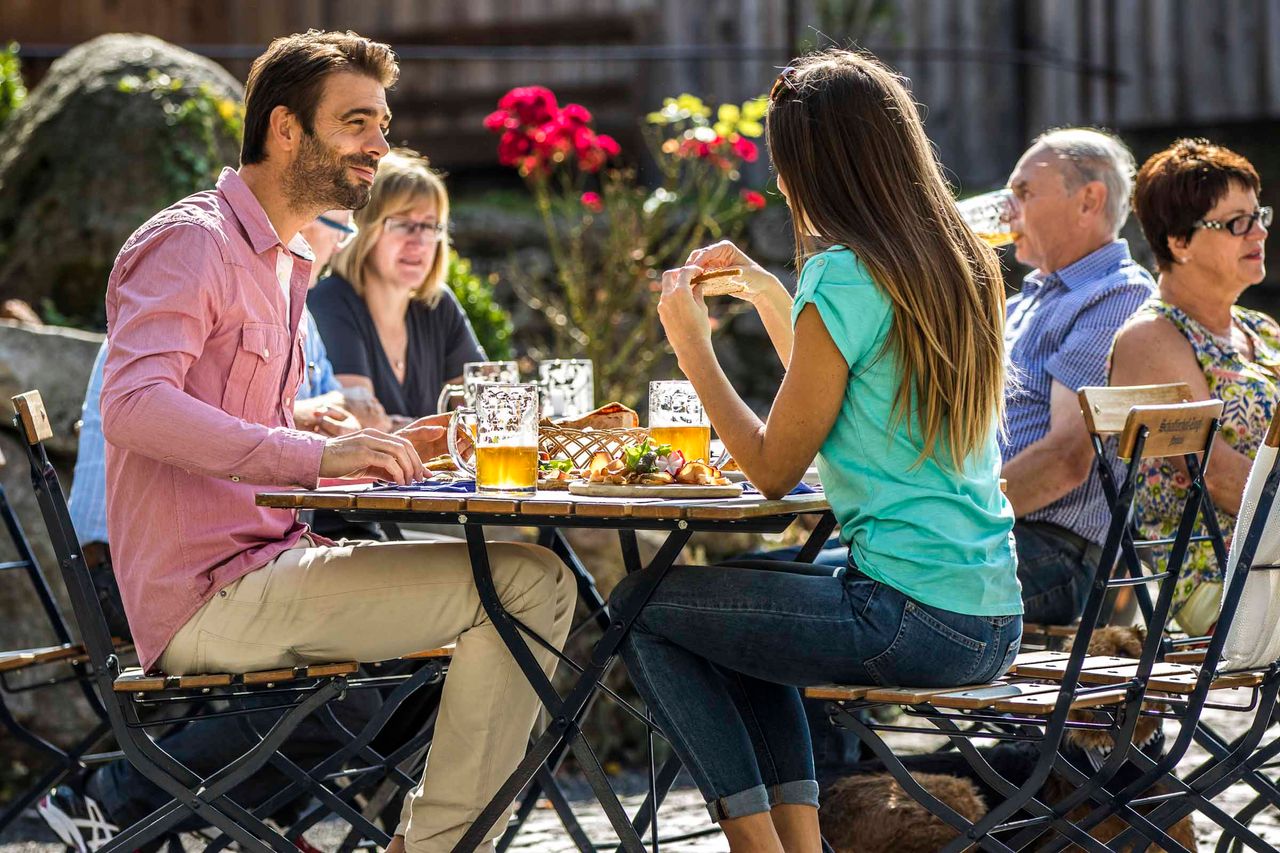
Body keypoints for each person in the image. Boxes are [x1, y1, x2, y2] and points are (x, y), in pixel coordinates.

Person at [44, 31, 574, 853]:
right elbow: (136, 406)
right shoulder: (195, 243)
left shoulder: (281, 262)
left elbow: (233, 416)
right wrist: (314, 454)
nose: (380, 143)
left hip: (269, 563)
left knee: (533, 578)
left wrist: (367, 435)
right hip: (209, 594)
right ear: (286, 130)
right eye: (357, 122)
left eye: (383, 123)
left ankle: (432, 841)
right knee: (528, 586)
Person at [609, 50, 1021, 851]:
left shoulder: (843, 274)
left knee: (641, 608)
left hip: (905, 614)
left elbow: (771, 471)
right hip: (987, 610)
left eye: (784, 162)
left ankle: (761, 846)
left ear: (817, 165)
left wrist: (693, 348)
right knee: (743, 602)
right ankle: (801, 846)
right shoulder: (957, 262)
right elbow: (843, 383)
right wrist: (770, 290)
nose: (779, 183)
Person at [1110, 138, 1275, 635]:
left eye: (1258, 215)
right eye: (1235, 223)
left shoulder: (1261, 331)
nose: (1259, 232)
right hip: (1219, 578)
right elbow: (1221, 480)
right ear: (1179, 242)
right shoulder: (1152, 337)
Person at [999, 128, 1155, 625]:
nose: (1007, 209)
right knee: (789, 579)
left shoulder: (1115, 296)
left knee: (776, 594)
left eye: (1024, 192)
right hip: (998, 539)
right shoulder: (1022, 302)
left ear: (1089, 200)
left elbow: (1067, 459)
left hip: (1056, 555)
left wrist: (943, 521)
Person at [309, 149, 484, 423]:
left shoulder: (438, 305)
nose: (419, 241)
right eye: (402, 224)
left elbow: (490, 407)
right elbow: (358, 424)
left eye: (429, 226)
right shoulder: (330, 302)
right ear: (365, 229)